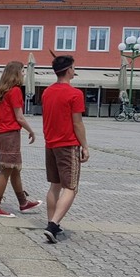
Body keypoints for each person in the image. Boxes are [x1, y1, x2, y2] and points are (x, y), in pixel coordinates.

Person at [41, 55, 89, 243]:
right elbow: (77, 123)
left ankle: (51, 222)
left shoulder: (47, 92)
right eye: (74, 68)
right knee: (71, 187)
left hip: (50, 144)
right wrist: (84, 146)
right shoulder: (75, 94)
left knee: (55, 185)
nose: (74, 70)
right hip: (68, 145)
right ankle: (53, 225)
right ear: (69, 70)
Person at [0, 61, 42, 217]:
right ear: (16, 73)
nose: (24, 74)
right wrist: (31, 131)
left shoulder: (2, 91)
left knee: (14, 170)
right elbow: (19, 117)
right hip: (10, 134)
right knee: (6, 170)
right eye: (22, 71)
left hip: (3, 133)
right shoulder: (15, 91)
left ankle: (23, 203)